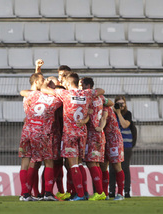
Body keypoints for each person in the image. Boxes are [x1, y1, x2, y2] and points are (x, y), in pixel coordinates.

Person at [42, 72, 105, 201]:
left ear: (70, 83)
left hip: (69, 133)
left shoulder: (65, 93)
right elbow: (101, 90)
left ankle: (80, 194)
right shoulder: (86, 93)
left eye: (65, 82)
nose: (63, 84)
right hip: (82, 133)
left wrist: (45, 82)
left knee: (73, 165)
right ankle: (84, 192)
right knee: (80, 163)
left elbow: (44, 89)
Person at [19, 73, 62, 201]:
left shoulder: (33, 94)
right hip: (42, 132)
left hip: (27, 131)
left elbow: (22, 92)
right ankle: (48, 193)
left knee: (26, 161)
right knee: (48, 161)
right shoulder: (55, 99)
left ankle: (24, 194)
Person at [80, 77, 113, 201]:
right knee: (97, 163)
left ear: (88, 86)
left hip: (92, 132)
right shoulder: (101, 98)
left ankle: (100, 192)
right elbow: (111, 103)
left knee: (91, 162)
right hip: (99, 133)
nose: (80, 87)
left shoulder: (88, 98)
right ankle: (102, 192)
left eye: (81, 85)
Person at [109, 96, 136, 198]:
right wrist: (114, 111)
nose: (120, 106)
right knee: (112, 168)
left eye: (122, 104)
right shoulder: (112, 113)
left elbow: (125, 125)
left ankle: (126, 191)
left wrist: (119, 113)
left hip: (126, 144)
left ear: (125, 104)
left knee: (124, 168)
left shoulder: (127, 114)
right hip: (113, 144)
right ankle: (111, 191)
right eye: (118, 104)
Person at [98, 106, 125, 200]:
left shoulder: (104, 106)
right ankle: (105, 194)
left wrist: (100, 127)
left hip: (113, 138)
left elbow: (104, 117)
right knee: (103, 165)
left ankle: (121, 193)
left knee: (117, 165)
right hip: (103, 138)